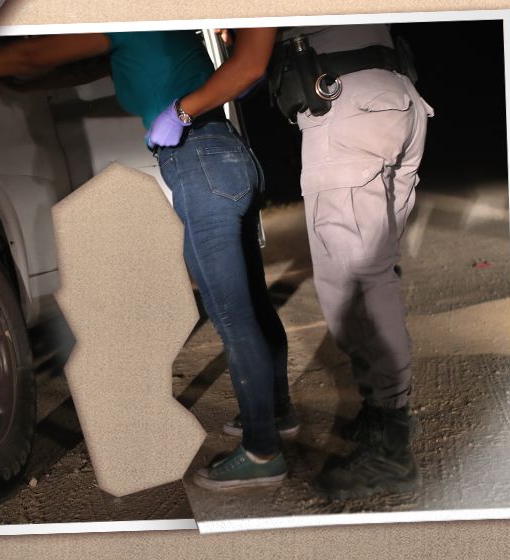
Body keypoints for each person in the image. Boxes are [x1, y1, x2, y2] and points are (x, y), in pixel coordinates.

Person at [0, 29, 297, 490]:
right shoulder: (149, 36)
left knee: (232, 314)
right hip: (224, 155)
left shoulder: (126, 23)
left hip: (199, 161)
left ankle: (262, 450)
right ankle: (276, 413)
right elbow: (69, 68)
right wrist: (12, 83)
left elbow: (31, 53)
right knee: (251, 301)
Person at [175, 25, 432, 499]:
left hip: (346, 108)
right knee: (375, 276)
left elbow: (250, 61)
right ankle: (381, 420)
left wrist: (183, 107)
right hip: (397, 97)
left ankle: (391, 453)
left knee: (354, 290)